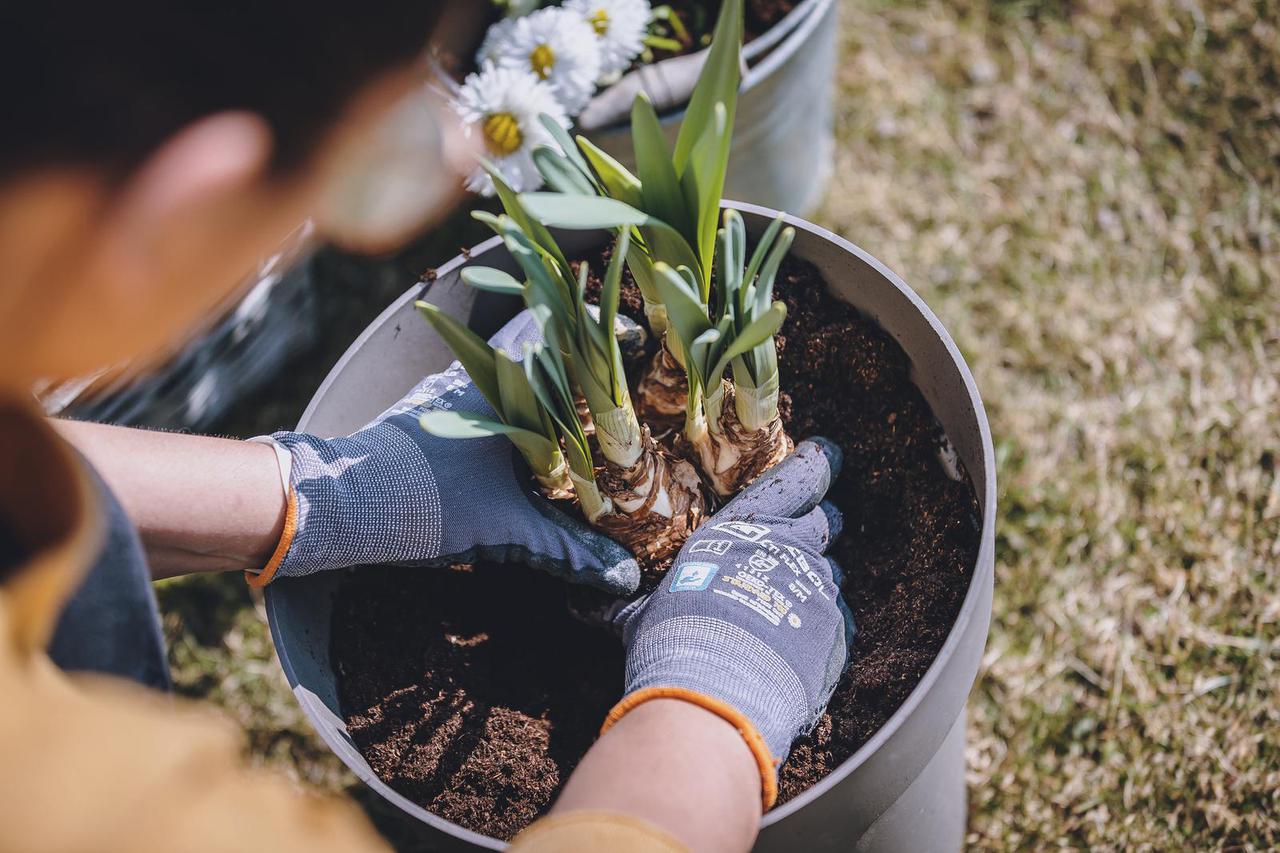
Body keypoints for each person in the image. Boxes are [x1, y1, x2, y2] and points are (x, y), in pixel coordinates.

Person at [0, 5, 854, 852]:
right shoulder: (100, 813)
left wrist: (321, 494)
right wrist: (708, 709)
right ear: (180, 210)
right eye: (383, 163)